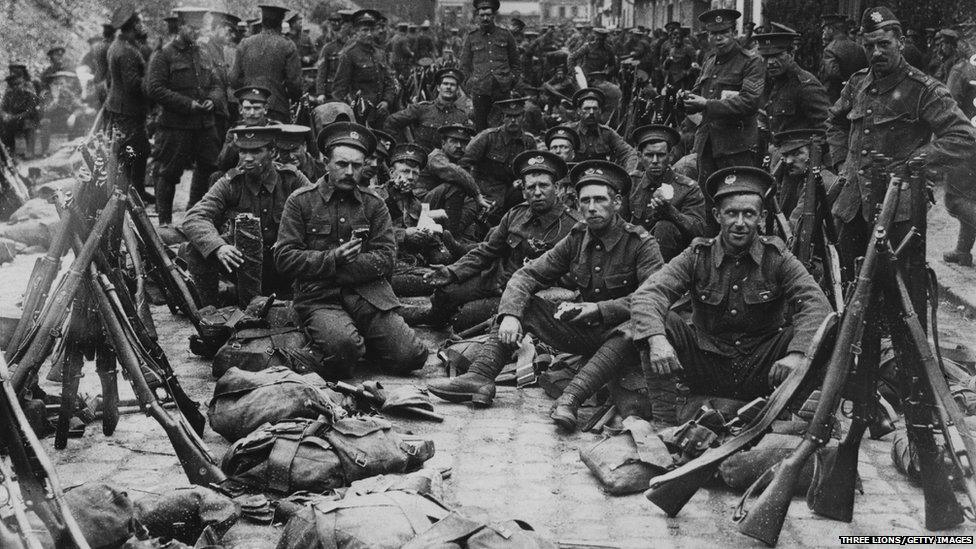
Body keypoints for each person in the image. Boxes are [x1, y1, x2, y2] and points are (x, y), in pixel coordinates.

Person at [426, 159, 664, 425]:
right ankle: (480, 377)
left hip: (624, 338)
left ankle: (570, 400)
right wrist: (511, 315)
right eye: (585, 201)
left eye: (600, 200)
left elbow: (651, 299)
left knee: (632, 328)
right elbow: (527, 274)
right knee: (525, 307)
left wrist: (599, 309)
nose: (592, 208)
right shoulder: (578, 236)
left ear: (617, 202)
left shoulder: (641, 243)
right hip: (586, 331)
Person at [628, 166, 832, 423]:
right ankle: (664, 420)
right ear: (717, 215)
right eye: (731, 213)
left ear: (761, 217)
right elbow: (648, 294)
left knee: (825, 333)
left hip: (762, 368)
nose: (739, 223)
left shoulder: (777, 258)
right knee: (660, 323)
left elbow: (816, 305)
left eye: (749, 214)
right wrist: (658, 340)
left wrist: (796, 354)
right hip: (706, 365)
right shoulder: (697, 255)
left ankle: (792, 415)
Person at [826, 6, 976, 320]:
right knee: (847, 295)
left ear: (900, 43)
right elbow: (835, 122)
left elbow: (963, 136)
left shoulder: (922, 89)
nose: (876, 52)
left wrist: (915, 163)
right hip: (852, 207)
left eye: (884, 44)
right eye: (869, 45)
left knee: (900, 301)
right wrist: (843, 162)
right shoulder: (857, 83)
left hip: (899, 213)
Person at [274, 122, 429, 379]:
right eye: (341, 164)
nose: (349, 172)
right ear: (325, 162)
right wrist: (331, 258)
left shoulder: (373, 204)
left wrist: (335, 269)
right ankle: (330, 339)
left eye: (356, 166)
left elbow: (386, 257)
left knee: (412, 356)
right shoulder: (301, 201)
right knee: (345, 350)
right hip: (320, 298)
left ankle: (361, 342)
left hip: (369, 296)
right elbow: (284, 257)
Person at [424, 150, 584, 330]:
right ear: (523, 191)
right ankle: (429, 318)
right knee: (446, 292)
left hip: (531, 293)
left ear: (556, 188)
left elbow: (574, 278)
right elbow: (486, 250)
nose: (537, 192)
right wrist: (452, 271)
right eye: (531, 187)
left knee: (464, 317)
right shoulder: (516, 214)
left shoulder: (574, 226)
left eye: (543, 186)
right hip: (497, 280)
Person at [181, 126, 310, 306]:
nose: (248, 158)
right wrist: (218, 247)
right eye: (243, 151)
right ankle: (212, 311)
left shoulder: (291, 179)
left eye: (256, 151)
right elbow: (194, 217)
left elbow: (318, 211)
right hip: (244, 265)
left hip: (283, 265)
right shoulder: (231, 182)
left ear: (272, 152)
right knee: (196, 250)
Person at [683, 8, 764, 234]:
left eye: (724, 33)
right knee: (709, 203)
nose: (718, 38)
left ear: (735, 32)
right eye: (713, 34)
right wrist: (687, 99)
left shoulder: (751, 62)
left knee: (738, 202)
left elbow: (749, 102)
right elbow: (699, 91)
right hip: (708, 144)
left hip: (735, 147)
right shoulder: (710, 61)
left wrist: (706, 104)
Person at [145, 7, 223, 225]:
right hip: (175, 125)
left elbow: (217, 83)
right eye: (192, 27)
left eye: (199, 27)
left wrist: (212, 100)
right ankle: (164, 223)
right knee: (168, 173)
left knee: (209, 167)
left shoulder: (204, 53)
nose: (196, 31)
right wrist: (188, 104)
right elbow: (155, 88)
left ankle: (194, 215)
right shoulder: (164, 55)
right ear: (180, 27)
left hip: (204, 125)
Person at [624, 124, 706, 261]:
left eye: (661, 155)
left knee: (665, 227)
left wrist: (671, 213)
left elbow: (699, 230)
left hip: (674, 260)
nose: (655, 161)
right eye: (649, 155)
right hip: (633, 253)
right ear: (639, 156)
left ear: (671, 155)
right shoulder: (631, 184)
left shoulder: (688, 188)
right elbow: (618, 222)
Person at [459, 96, 537, 220]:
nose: (513, 121)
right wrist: (475, 192)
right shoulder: (488, 137)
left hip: (513, 192)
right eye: (508, 117)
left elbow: (532, 169)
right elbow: (463, 164)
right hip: (486, 192)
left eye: (517, 116)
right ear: (502, 118)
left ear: (523, 117)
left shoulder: (528, 142)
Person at [105, 5, 151, 202]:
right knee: (134, 150)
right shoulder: (126, 51)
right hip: (128, 109)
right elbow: (133, 85)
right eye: (140, 22)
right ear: (133, 25)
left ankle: (136, 190)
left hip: (122, 107)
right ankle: (132, 193)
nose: (143, 26)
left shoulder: (121, 46)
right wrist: (152, 81)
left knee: (136, 149)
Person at [231, 2, 302, 123]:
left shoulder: (245, 43)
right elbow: (294, 84)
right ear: (280, 22)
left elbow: (234, 79)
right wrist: (294, 99)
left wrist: (250, 87)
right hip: (277, 107)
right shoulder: (287, 45)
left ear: (262, 20)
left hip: (249, 108)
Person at [417, 124, 488, 245]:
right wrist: (477, 195)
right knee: (456, 187)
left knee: (472, 201)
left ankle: (455, 236)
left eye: (464, 142)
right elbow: (455, 173)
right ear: (443, 143)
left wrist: (476, 199)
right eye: (454, 141)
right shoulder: (436, 157)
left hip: (435, 206)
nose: (459, 146)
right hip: (420, 205)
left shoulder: (454, 160)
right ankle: (451, 238)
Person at [460, 0, 522, 131]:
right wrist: (469, 85)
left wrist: (511, 80)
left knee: (502, 127)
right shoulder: (472, 37)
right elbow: (464, 66)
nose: (485, 18)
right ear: (477, 16)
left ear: (494, 15)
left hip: (502, 89)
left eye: (488, 15)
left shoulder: (505, 35)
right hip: (479, 91)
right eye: (481, 15)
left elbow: (516, 63)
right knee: (481, 128)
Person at [331, 9, 397, 128]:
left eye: (372, 29)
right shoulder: (349, 55)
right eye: (365, 30)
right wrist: (350, 115)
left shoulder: (380, 53)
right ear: (356, 32)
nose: (369, 34)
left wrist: (387, 101)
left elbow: (389, 82)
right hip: (359, 118)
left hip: (381, 115)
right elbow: (338, 92)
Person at [755, 32, 830, 135]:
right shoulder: (773, 81)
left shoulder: (805, 85)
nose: (770, 62)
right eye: (766, 57)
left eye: (777, 55)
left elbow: (827, 126)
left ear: (791, 55)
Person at [943, 32, 976, 267]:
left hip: (964, 141)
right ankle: (962, 250)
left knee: (955, 199)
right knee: (971, 196)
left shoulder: (959, 70)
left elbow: (947, 108)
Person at [384, 68, 471, 152]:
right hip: (423, 162)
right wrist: (404, 150)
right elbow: (391, 122)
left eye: (452, 85)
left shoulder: (461, 116)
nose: (448, 87)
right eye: (445, 84)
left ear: (456, 90)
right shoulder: (422, 109)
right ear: (438, 88)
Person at [769, 129, 841, 221]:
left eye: (796, 153)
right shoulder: (798, 180)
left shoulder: (819, 182)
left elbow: (793, 227)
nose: (789, 161)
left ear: (814, 153)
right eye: (785, 155)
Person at [567, 87, 637, 172]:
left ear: (600, 111)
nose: (591, 112)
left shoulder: (607, 133)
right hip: (575, 176)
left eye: (595, 108)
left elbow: (628, 153)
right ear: (579, 111)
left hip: (601, 178)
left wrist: (630, 173)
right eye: (587, 108)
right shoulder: (569, 131)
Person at [215, 86, 274, 176]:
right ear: (240, 110)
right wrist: (234, 143)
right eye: (247, 108)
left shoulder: (274, 129)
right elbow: (222, 164)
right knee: (217, 176)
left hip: (268, 174)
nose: (251, 113)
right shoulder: (235, 130)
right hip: (242, 174)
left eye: (257, 108)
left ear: (265, 109)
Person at [819, 13, 868, 103]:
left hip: (835, 100)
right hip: (856, 98)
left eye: (825, 29)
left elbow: (832, 76)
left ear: (831, 29)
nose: (824, 33)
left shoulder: (830, 50)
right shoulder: (859, 48)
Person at [0, 68, 40, 157]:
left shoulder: (29, 95)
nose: (16, 87)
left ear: (23, 84)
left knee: (28, 123)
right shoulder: (8, 95)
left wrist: (14, 117)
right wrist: (5, 115)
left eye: (18, 84)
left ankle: (30, 151)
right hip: (13, 121)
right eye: (13, 85)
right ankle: (9, 150)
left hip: (25, 120)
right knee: (3, 123)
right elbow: (2, 108)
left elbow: (30, 111)